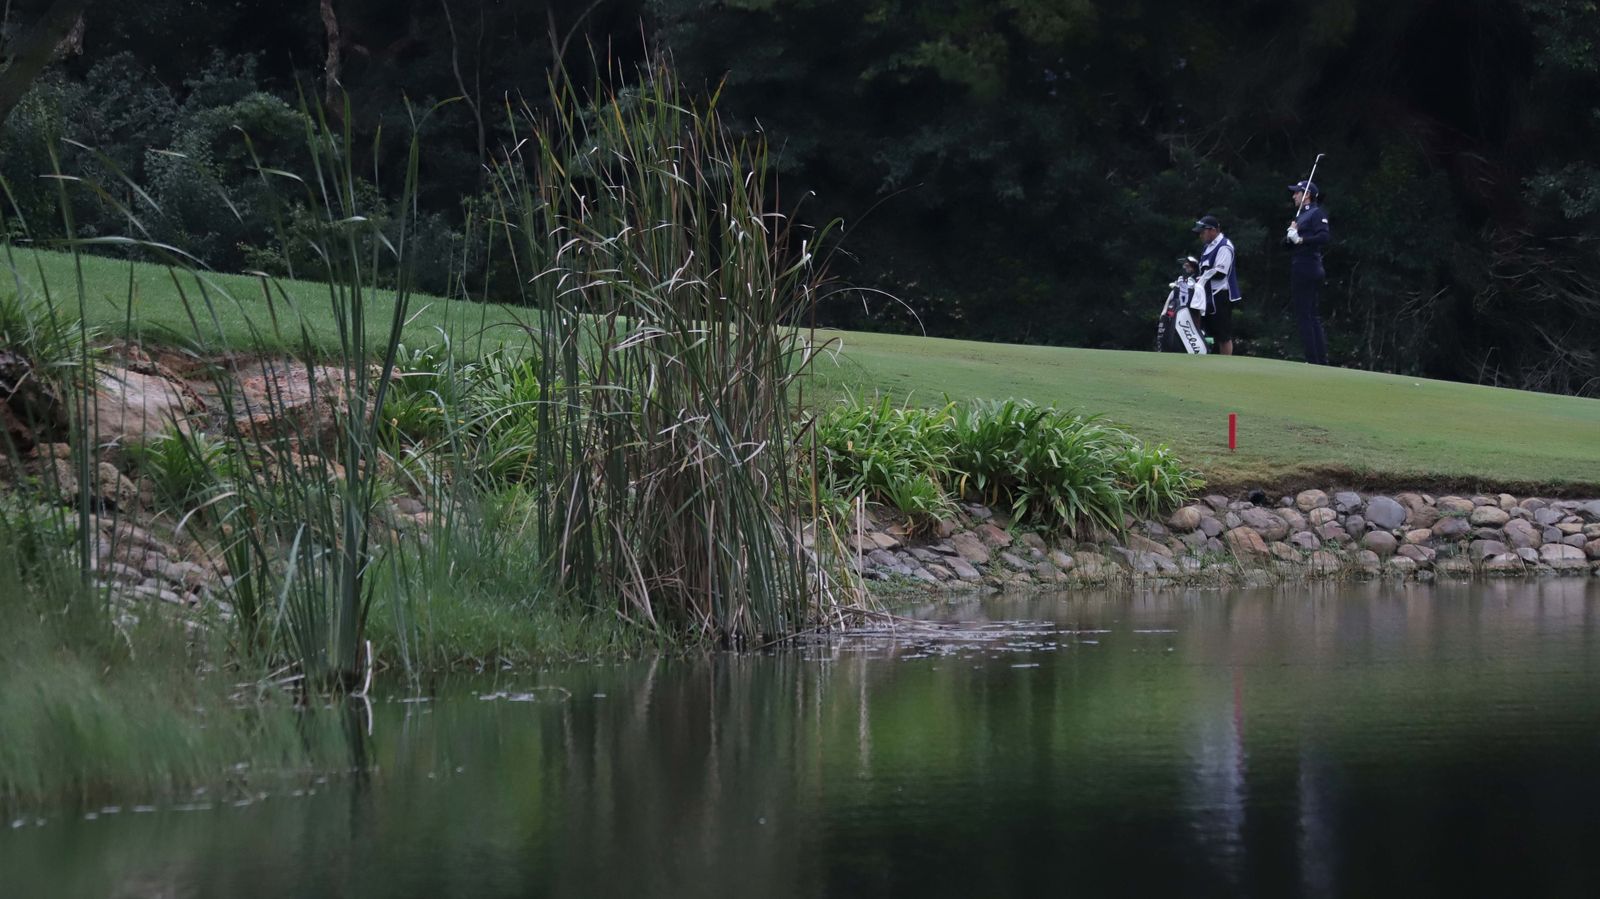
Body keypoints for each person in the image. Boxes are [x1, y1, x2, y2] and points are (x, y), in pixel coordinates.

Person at [1284, 180, 1331, 364]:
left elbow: (1324, 236)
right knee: (1310, 314)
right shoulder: (1301, 216)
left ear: (1307, 195)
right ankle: (1319, 360)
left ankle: (1314, 360)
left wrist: (1300, 239)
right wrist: (1289, 237)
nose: (1294, 195)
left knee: (1307, 315)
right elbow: (1289, 244)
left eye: (1297, 192)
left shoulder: (1315, 213)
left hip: (1308, 267)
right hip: (1302, 265)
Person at [1190, 215, 1240, 355]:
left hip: (1221, 295)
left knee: (1223, 335)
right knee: (1207, 332)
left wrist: (1202, 278)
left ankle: (1226, 365)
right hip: (1207, 295)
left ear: (1213, 230)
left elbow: (1220, 273)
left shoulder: (1224, 246)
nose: (1200, 235)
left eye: (1202, 231)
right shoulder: (1207, 247)